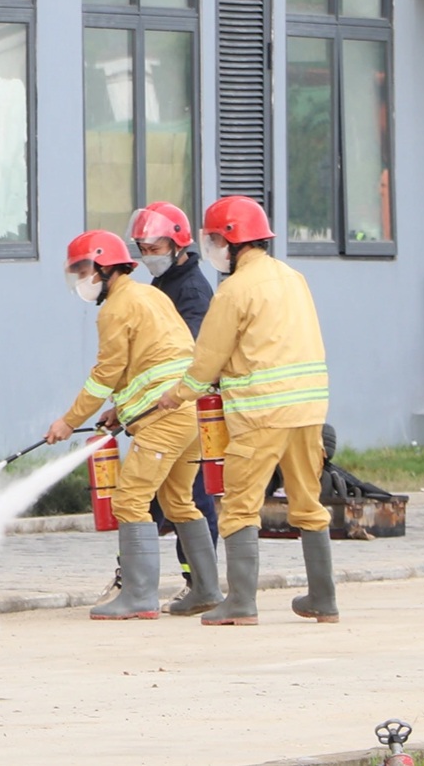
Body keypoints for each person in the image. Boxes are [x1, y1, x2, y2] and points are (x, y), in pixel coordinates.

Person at [156, 196, 336, 626]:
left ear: (232, 240)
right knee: (308, 502)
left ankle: (240, 602)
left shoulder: (234, 290)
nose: (213, 248)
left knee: (239, 505)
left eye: (215, 239)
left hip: (261, 414)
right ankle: (323, 599)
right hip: (309, 409)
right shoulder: (293, 277)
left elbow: (207, 359)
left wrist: (177, 395)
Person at [43, 230, 222, 620]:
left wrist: (68, 422)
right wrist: (119, 412)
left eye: (85, 270)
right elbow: (147, 362)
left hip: (164, 420)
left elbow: (105, 374)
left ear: (106, 267)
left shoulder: (115, 309)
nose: (82, 281)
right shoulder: (150, 295)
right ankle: (207, 590)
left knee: (129, 500)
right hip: (187, 414)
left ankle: (139, 597)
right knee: (178, 502)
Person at [127, 201, 221, 614]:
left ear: (179, 243)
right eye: (143, 247)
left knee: (191, 497)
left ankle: (196, 581)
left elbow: (188, 356)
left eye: (156, 246)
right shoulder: (162, 286)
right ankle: (135, 574)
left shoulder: (193, 291)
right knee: (155, 495)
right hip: (161, 409)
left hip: (188, 408)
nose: (149, 254)